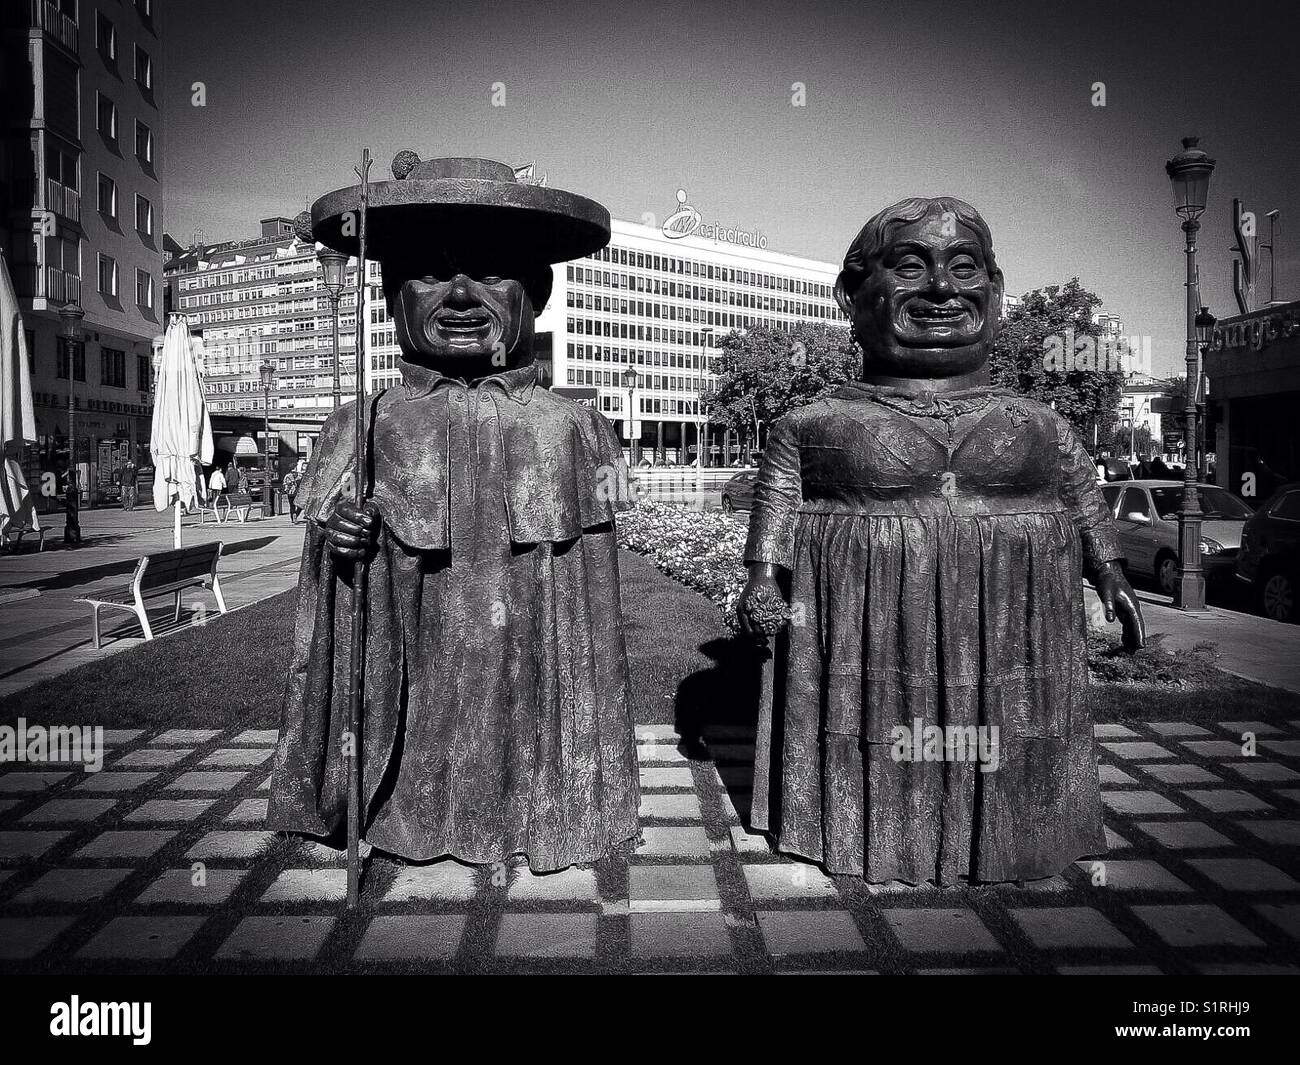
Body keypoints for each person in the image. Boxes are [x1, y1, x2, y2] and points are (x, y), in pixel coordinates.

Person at [737, 196, 1144, 884]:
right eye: (910, 265)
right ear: (853, 293)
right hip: (866, 640)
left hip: (1011, 637)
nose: (942, 287)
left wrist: (1108, 567)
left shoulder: (1036, 421)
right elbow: (777, 502)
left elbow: (1080, 493)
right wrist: (761, 579)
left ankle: (1012, 830)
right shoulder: (811, 422)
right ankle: (867, 824)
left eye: (964, 266)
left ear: (995, 290)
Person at [268, 154, 640, 872]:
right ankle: (399, 809)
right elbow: (322, 599)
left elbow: (594, 610)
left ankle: (549, 806)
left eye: (493, 270)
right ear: (391, 295)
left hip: (534, 707)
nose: (462, 295)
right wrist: (336, 540)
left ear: (537, 289)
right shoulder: (365, 421)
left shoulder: (576, 427)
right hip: (416, 687)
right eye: (433, 273)